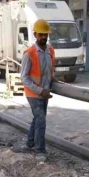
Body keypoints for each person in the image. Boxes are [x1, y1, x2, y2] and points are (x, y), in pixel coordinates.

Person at [17, 19, 59, 162]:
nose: (43, 37)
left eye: (45, 34)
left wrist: (53, 79)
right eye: (41, 34)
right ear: (35, 34)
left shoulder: (50, 51)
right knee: (41, 120)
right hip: (33, 94)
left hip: (44, 92)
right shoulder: (29, 53)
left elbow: (48, 70)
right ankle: (39, 150)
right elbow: (24, 78)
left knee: (37, 119)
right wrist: (40, 90)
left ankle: (30, 143)